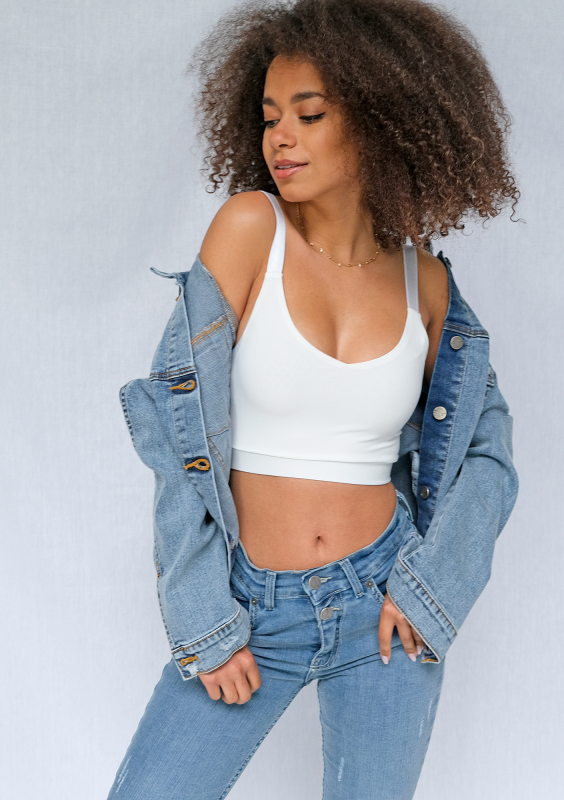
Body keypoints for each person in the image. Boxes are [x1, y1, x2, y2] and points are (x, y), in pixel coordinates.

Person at [107, 1, 519, 798]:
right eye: (270, 118)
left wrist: (432, 590)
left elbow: (487, 453)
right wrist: (203, 618)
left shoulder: (427, 283)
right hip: (250, 603)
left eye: (309, 113)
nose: (280, 139)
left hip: (382, 606)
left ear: (377, 119)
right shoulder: (249, 229)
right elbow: (173, 432)